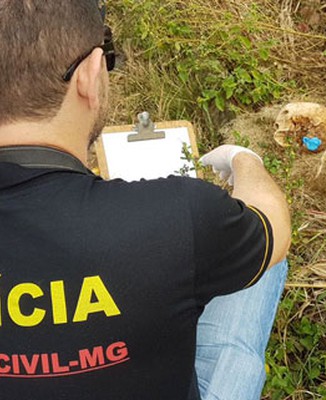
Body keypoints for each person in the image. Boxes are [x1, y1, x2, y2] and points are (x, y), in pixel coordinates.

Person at [0, 1, 291, 399]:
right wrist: (245, 160)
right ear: (89, 75)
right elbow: (273, 224)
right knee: (258, 249)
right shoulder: (177, 216)